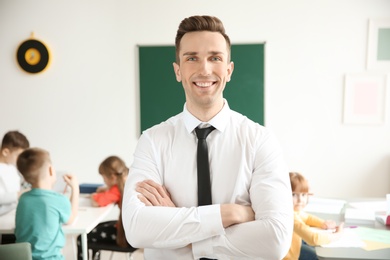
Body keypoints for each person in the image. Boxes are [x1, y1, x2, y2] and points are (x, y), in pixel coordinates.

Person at [122, 15, 293, 259]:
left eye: (215, 58)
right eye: (192, 58)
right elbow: (137, 228)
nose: (204, 69)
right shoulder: (152, 141)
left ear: (229, 69)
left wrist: (183, 235)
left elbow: (275, 240)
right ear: (178, 71)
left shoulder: (260, 140)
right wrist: (231, 214)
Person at [15, 147, 79, 260]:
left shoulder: (23, 200)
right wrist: (75, 188)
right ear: (50, 170)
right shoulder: (58, 199)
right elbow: (70, 219)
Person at [76, 155, 136, 260]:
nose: (104, 181)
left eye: (104, 178)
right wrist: (107, 189)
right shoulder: (130, 180)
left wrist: (92, 195)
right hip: (133, 232)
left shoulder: (117, 188)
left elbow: (97, 202)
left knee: (82, 238)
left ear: (112, 177)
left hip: (126, 238)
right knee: (95, 227)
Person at [283, 172, 344, 260]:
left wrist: (323, 223)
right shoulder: (289, 215)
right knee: (316, 255)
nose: (300, 200)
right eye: (294, 195)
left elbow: (307, 217)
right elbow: (313, 239)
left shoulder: (293, 211)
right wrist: (338, 235)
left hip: (293, 250)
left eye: (303, 195)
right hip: (287, 258)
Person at [0, 130, 30, 245]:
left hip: (12, 216)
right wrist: (19, 194)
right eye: (18, 155)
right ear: (6, 152)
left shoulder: (11, 168)